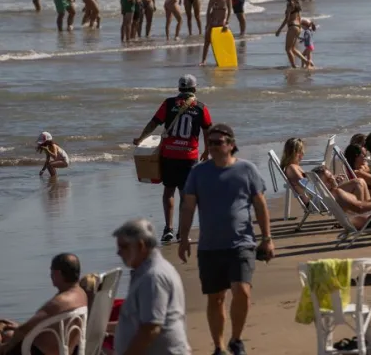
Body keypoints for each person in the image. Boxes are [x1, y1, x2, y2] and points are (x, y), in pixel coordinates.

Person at [178, 123, 273, 355]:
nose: (212, 147)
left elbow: (260, 205)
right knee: (216, 298)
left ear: (230, 144)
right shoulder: (198, 172)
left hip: (242, 243)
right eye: (210, 143)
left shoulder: (246, 170)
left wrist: (267, 238)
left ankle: (236, 339)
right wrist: (183, 238)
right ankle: (219, 347)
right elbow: (188, 207)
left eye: (218, 142)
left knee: (242, 291)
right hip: (210, 246)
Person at [134, 74, 213, 243]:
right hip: (189, 157)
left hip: (169, 154)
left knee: (168, 191)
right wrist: (207, 151)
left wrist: (141, 137)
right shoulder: (200, 107)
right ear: (195, 89)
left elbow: (154, 123)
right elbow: (208, 131)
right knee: (185, 195)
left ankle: (168, 229)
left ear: (179, 88)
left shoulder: (169, 104)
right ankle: (182, 232)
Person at [112, 219, 191, 355]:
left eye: (123, 247)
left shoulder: (153, 277)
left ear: (141, 246)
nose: (118, 252)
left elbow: (151, 328)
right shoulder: (146, 272)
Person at [0, 254, 87, 355]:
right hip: (63, 347)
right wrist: (17, 327)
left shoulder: (59, 302)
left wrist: (6, 347)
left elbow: (24, 329)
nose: (50, 275)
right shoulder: (81, 294)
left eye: (51, 271)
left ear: (57, 273)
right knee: (9, 333)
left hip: (38, 352)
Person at [200, 0, 232, 66]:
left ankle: (220, 60)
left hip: (222, 23)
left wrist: (227, 22)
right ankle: (203, 61)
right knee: (207, 42)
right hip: (212, 21)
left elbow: (229, 12)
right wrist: (207, 23)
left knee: (220, 43)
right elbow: (208, 11)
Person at [274, 0, 306, 69]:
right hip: (298, 27)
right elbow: (299, 17)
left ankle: (294, 66)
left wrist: (279, 30)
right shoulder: (296, 3)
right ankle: (306, 61)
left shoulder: (289, 4)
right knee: (293, 48)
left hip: (292, 26)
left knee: (288, 49)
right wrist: (300, 29)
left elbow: (287, 19)